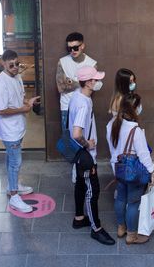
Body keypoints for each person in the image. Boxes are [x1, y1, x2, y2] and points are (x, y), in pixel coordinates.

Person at [68, 65, 115, 245]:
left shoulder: (78, 96)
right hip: (86, 156)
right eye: (95, 79)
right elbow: (76, 133)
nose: (97, 82)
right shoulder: (83, 104)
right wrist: (88, 144)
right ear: (87, 82)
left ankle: (79, 218)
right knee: (92, 191)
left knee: (80, 185)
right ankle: (96, 229)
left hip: (78, 156)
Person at [0, 49, 40, 213]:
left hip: (17, 127)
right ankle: (14, 196)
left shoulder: (17, 77)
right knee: (15, 162)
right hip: (9, 130)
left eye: (17, 64)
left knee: (12, 159)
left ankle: (13, 186)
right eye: (11, 65)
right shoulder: (0, 84)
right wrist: (23, 109)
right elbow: (1, 110)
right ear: (3, 64)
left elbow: (19, 97)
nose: (15, 67)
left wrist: (28, 102)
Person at [107, 93, 154, 245]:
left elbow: (113, 150)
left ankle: (121, 228)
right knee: (133, 203)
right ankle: (132, 235)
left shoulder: (113, 125)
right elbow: (143, 155)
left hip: (119, 168)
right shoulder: (135, 130)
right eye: (139, 105)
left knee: (121, 198)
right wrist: (151, 171)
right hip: (134, 171)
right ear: (134, 108)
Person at [56, 32, 97, 133]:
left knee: (84, 139)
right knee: (68, 142)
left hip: (84, 106)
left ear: (82, 46)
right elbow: (61, 87)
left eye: (75, 47)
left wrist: (70, 81)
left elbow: (93, 87)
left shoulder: (92, 64)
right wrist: (83, 82)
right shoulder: (62, 62)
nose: (72, 51)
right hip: (66, 107)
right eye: (69, 48)